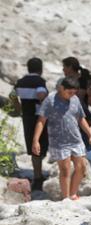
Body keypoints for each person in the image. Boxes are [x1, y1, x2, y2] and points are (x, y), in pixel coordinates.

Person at [32, 77, 91, 200]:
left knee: (82, 167)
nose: (71, 95)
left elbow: (81, 118)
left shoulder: (75, 99)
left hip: (76, 139)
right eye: (69, 92)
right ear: (62, 88)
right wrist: (36, 140)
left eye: (74, 92)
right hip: (58, 142)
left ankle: (73, 194)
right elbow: (41, 121)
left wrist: (90, 135)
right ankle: (66, 198)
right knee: (65, 169)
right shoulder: (50, 100)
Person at [14, 57, 48, 190]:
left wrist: (19, 108)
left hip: (26, 117)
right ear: (40, 69)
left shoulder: (20, 82)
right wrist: (43, 102)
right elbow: (41, 93)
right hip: (38, 117)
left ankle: (37, 175)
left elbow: (12, 95)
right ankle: (39, 177)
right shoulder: (39, 81)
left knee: (33, 146)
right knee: (40, 146)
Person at [59, 57, 91, 150]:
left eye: (64, 67)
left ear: (70, 67)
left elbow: (80, 96)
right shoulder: (66, 80)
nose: (63, 69)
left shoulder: (82, 79)